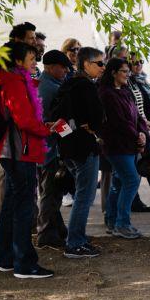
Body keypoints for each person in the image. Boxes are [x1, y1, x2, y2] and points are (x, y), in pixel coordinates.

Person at [0, 42, 54, 279]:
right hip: (19, 152)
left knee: (12, 205)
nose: (35, 62)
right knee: (23, 208)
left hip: (11, 151)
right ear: (18, 61)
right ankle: (24, 264)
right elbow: (24, 120)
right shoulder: (14, 82)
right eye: (31, 58)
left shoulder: (9, 79)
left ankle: (5, 258)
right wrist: (46, 130)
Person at [54, 47, 105, 259]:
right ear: (86, 64)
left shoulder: (67, 84)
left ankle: (76, 238)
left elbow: (54, 118)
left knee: (81, 194)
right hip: (84, 149)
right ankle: (74, 242)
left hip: (68, 149)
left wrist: (67, 136)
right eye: (99, 63)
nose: (103, 67)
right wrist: (93, 129)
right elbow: (98, 118)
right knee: (85, 195)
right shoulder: (86, 87)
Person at [99, 58, 147, 239]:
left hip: (130, 144)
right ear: (113, 73)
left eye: (128, 71)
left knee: (119, 182)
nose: (128, 74)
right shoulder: (106, 94)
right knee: (131, 180)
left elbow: (136, 116)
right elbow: (119, 122)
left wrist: (142, 132)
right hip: (117, 145)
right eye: (124, 71)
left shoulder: (125, 91)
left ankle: (112, 221)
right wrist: (137, 136)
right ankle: (122, 223)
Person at [35, 50, 73, 249]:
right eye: (62, 67)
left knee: (52, 191)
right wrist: (71, 134)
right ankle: (46, 233)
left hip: (47, 149)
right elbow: (49, 122)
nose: (66, 70)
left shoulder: (48, 84)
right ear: (50, 67)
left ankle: (57, 228)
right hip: (49, 150)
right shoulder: (49, 88)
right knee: (51, 192)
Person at [127, 54, 150, 212]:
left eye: (141, 61)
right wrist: (146, 122)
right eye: (134, 63)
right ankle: (136, 200)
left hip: (145, 127)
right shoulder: (128, 82)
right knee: (140, 165)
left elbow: (148, 104)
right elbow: (134, 109)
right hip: (137, 128)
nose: (139, 65)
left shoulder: (142, 81)